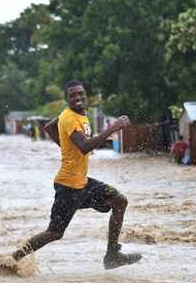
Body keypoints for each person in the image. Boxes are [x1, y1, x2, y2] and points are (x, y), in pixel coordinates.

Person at [12, 80, 142, 269]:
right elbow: (84, 146)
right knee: (54, 233)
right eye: (73, 95)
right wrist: (113, 128)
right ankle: (12, 259)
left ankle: (112, 254)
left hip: (82, 182)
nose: (78, 98)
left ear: (85, 95)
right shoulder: (71, 118)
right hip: (68, 186)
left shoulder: (77, 114)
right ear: (67, 99)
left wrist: (66, 148)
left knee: (119, 200)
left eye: (80, 94)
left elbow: (49, 127)